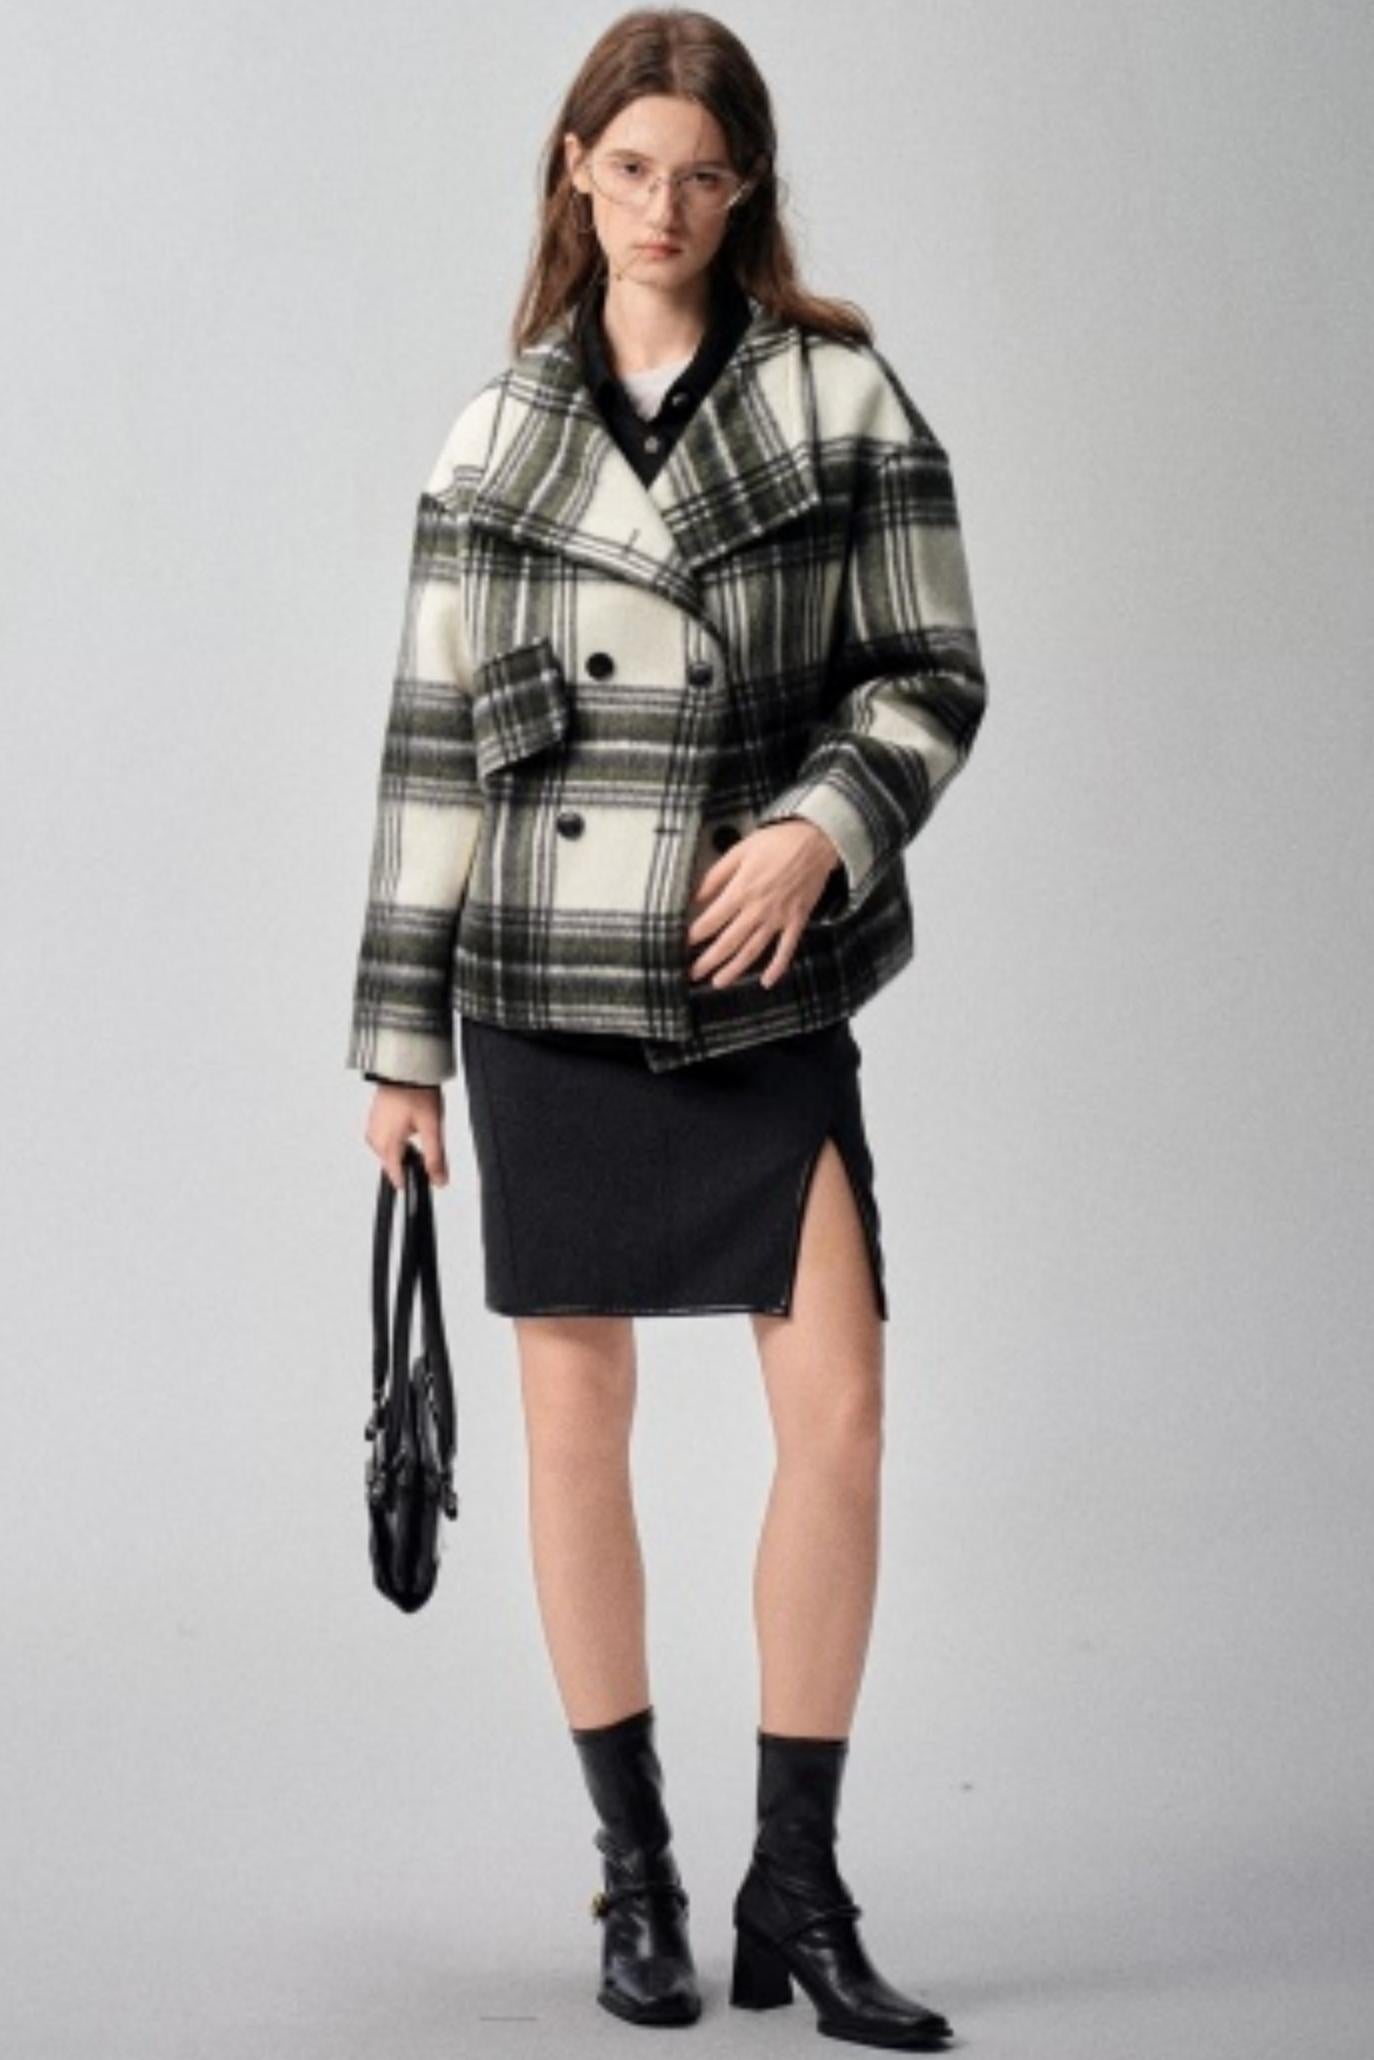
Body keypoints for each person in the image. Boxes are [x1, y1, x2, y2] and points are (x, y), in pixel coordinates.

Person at [345, 8, 986, 2046]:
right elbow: (430, 752)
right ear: (574, 170)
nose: (663, 208)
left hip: (753, 973)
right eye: (629, 169)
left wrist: (822, 827)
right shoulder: (494, 439)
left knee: (841, 1414)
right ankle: (637, 1878)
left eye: (702, 176)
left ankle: (800, 1881)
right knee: (575, 1424)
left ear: (745, 187)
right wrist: (399, 1048)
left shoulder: (839, 394)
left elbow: (931, 670)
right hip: (544, 982)